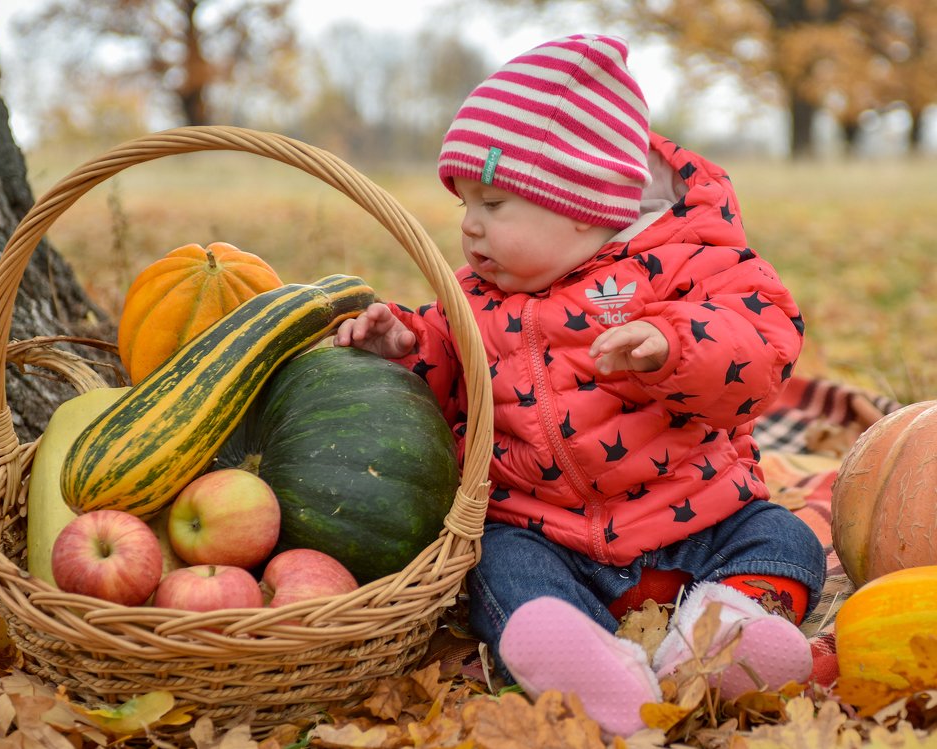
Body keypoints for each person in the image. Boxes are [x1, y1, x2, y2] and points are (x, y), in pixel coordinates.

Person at [334, 33, 826, 738]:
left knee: (785, 536)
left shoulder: (690, 259)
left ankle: (724, 632)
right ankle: (582, 657)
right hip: (546, 529)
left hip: (697, 517)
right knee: (496, 568)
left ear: (582, 203)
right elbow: (447, 374)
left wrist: (673, 347)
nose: (470, 227)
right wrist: (407, 348)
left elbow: (761, 348)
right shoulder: (473, 297)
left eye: (495, 202)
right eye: (463, 205)